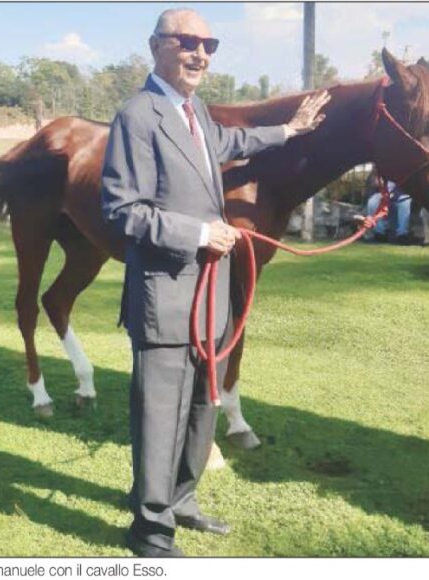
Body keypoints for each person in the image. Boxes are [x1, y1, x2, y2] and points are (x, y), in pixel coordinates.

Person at [101, 8, 329, 557]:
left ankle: (182, 499)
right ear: (156, 45)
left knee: (204, 404)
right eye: (187, 42)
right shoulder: (137, 116)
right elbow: (121, 210)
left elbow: (229, 142)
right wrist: (201, 231)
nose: (200, 53)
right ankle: (151, 528)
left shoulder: (195, 111)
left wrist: (289, 129)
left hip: (210, 295)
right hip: (165, 293)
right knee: (160, 413)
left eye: (209, 43)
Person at [365, 179, 412, 244]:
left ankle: (402, 234)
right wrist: (376, 183)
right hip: (382, 193)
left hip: (401, 193)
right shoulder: (381, 170)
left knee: (405, 203)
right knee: (372, 202)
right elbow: (372, 183)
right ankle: (379, 233)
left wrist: (393, 194)